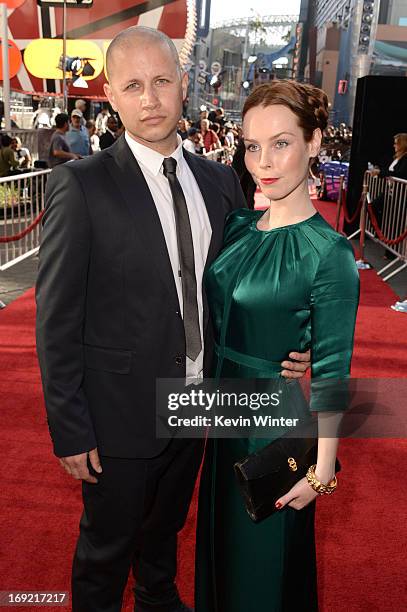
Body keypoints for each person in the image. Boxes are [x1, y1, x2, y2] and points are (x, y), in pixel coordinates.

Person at [36, 28, 310, 612]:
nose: (150, 98)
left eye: (161, 81)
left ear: (183, 85)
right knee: (106, 550)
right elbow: (56, 319)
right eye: (133, 85)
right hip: (116, 413)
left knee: (164, 535)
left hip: (197, 403)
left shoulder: (218, 183)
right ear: (110, 94)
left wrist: (297, 339)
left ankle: (159, 600)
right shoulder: (81, 186)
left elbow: (250, 286)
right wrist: (71, 427)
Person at [195, 80, 360, 612]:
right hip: (221, 418)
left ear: (314, 143)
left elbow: (334, 370)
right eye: (251, 145)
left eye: (282, 143)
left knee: (261, 574)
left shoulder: (328, 254)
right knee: (220, 560)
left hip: (272, 431)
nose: (263, 161)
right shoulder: (240, 226)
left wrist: (323, 469)